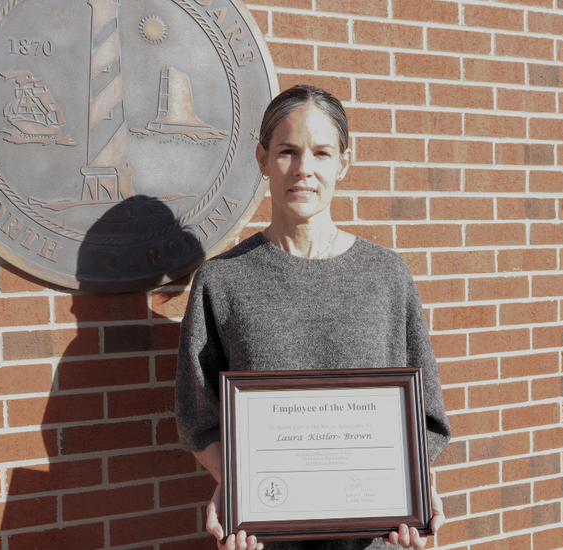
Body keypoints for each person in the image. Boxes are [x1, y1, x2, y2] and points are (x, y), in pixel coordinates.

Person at [175, 85, 451, 550]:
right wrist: (236, 485)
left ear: (345, 160)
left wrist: (418, 488)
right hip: (266, 537)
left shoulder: (387, 274)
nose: (304, 169)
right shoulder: (221, 282)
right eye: (287, 151)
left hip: (376, 537)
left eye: (322, 152)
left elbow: (424, 414)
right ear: (262, 159)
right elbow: (199, 416)